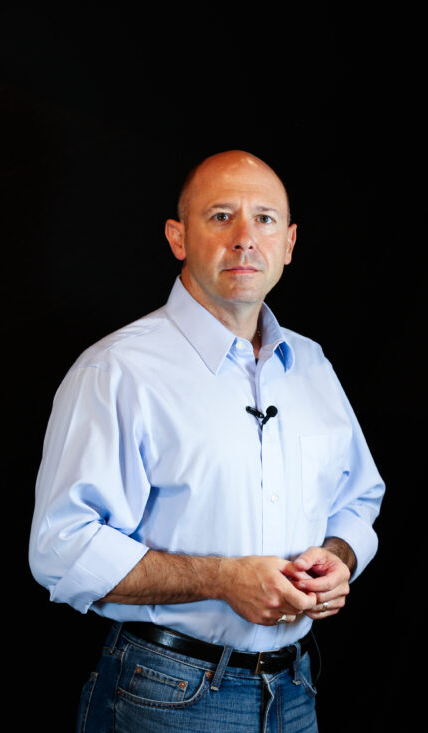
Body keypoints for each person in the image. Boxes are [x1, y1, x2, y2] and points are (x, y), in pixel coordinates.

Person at [29, 150, 385, 732]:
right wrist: (222, 580)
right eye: (221, 216)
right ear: (177, 236)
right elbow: (61, 548)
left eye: (265, 219)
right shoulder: (117, 371)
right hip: (168, 695)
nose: (246, 238)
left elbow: (358, 499)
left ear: (289, 243)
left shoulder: (313, 366)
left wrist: (340, 559)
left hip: (295, 690)